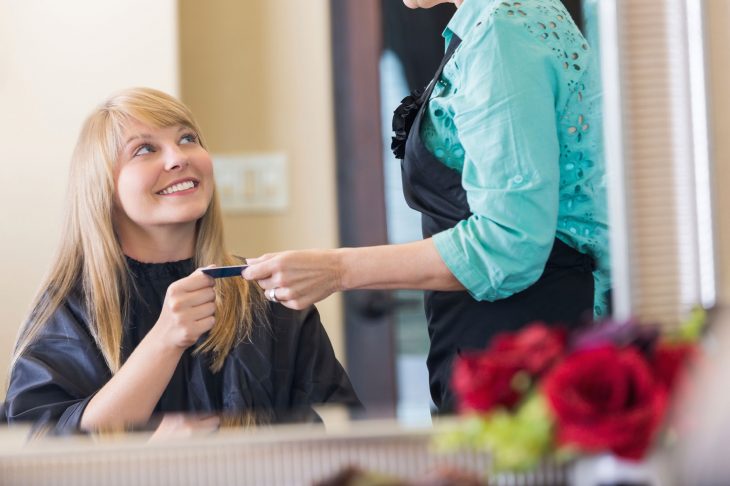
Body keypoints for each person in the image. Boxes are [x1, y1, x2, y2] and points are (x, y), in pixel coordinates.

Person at [243, 0, 610, 412]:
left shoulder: (503, 34)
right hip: (510, 343)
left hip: (522, 352)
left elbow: (509, 243)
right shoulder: (508, 20)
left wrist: (336, 270)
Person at [4, 87, 358, 433]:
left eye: (187, 138)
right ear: (102, 188)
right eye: (144, 149)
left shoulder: (270, 299)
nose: (178, 158)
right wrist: (165, 339)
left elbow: (341, 441)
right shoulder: (69, 312)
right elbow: (40, 456)